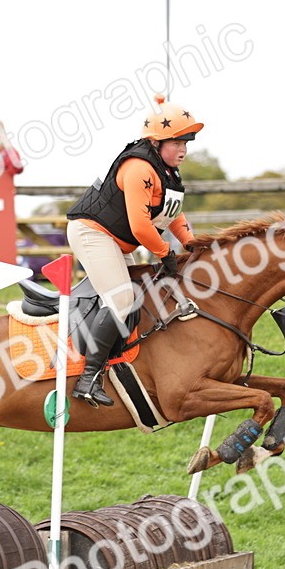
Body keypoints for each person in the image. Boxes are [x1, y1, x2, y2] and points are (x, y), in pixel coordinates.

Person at [63, 99, 201, 407]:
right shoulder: (139, 168)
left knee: (137, 295)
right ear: (156, 140)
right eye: (177, 142)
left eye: (186, 143)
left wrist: (192, 244)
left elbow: (173, 216)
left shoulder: (167, 172)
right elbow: (141, 226)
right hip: (92, 233)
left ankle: (117, 364)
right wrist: (166, 252)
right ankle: (88, 379)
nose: (183, 150)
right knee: (123, 299)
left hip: (114, 240)